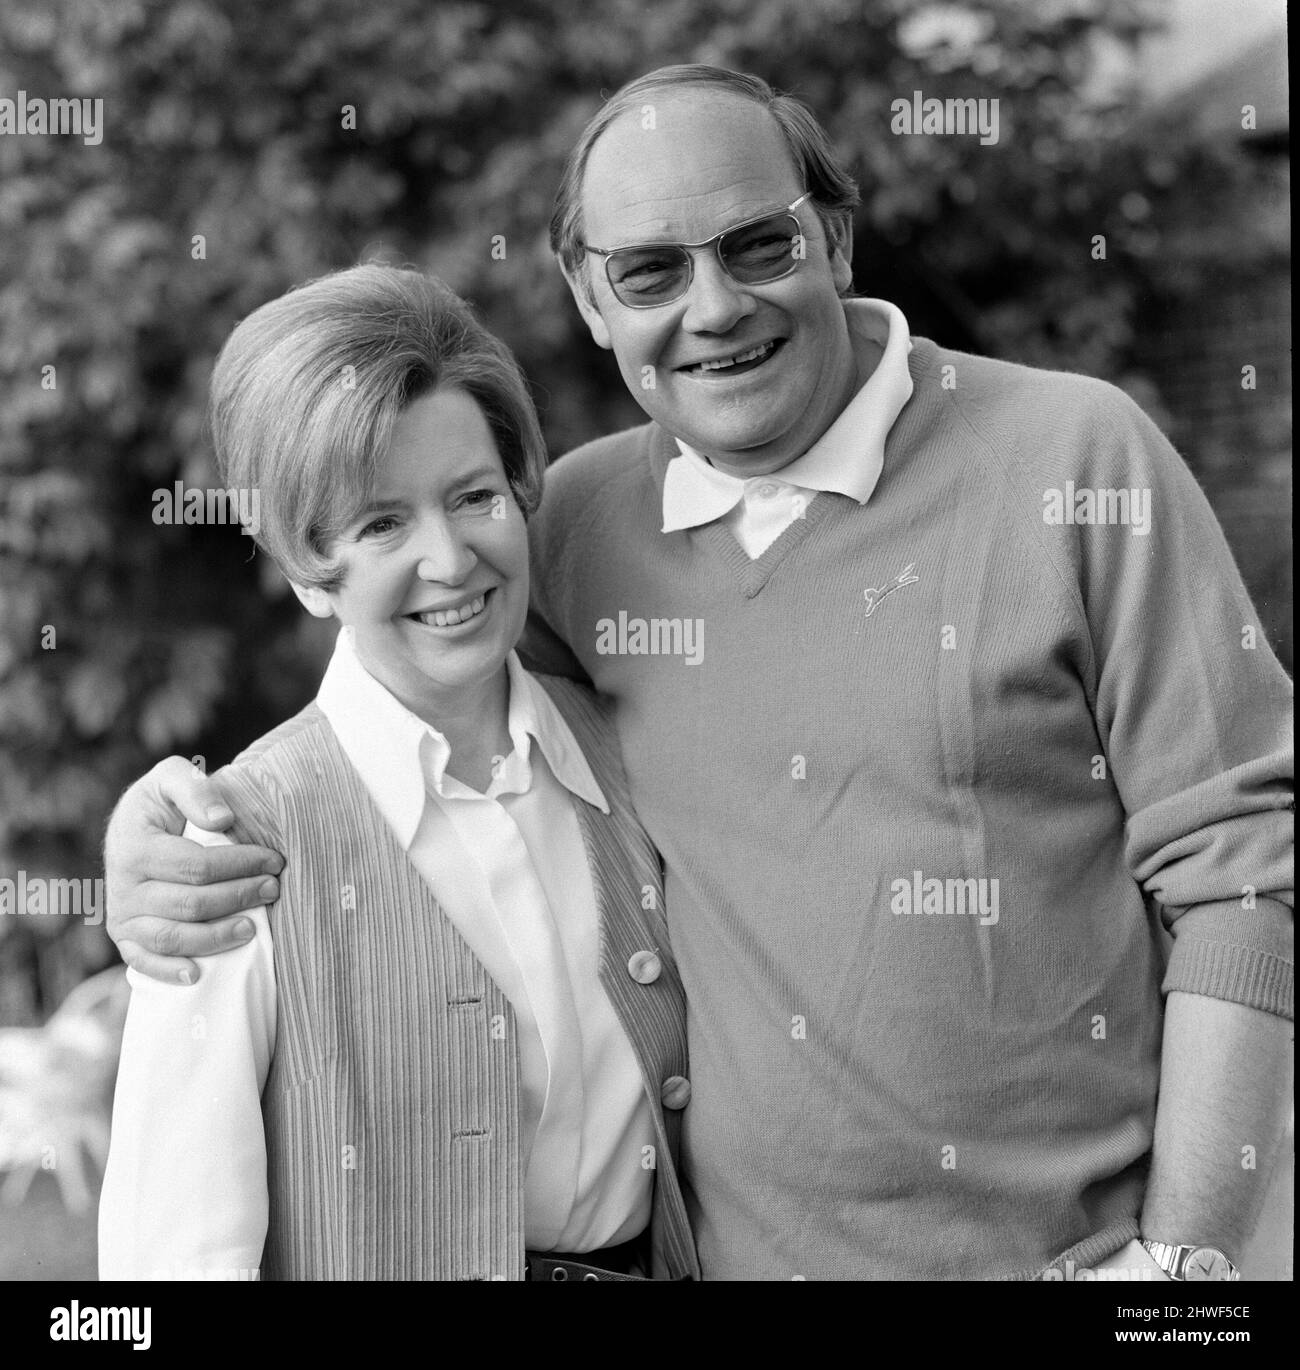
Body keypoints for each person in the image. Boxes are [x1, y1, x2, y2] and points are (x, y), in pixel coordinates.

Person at [103, 66, 1293, 1281]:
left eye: (756, 244)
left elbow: (1246, 871)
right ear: (588, 297)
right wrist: (160, 836)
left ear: (831, 236)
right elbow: (409, 704)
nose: (715, 307)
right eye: (652, 271)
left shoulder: (1079, 456)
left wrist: (1179, 1263)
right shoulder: (571, 527)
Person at [97, 263, 697, 1282]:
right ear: (303, 568)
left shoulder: (626, 745)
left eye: (472, 496)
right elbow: (173, 1257)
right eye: (381, 524)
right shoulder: (232, 847)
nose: (450, 560)